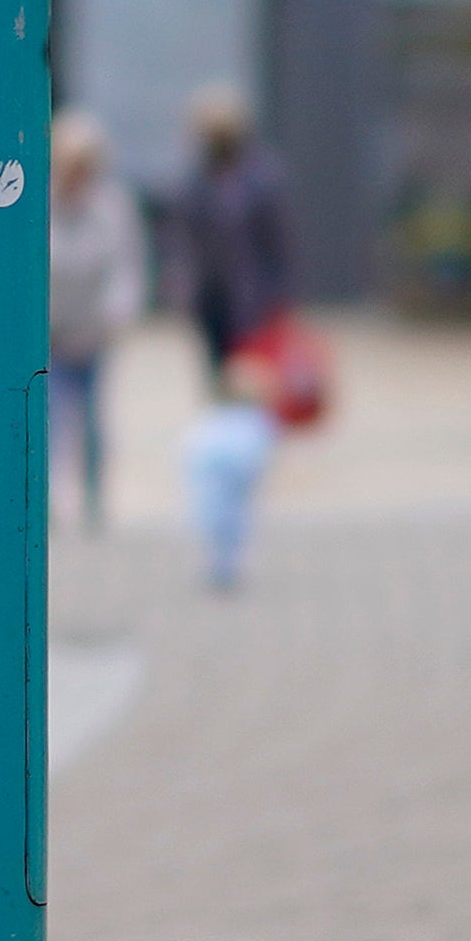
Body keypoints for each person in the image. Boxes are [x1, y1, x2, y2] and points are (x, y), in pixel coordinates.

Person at [41, 109, 143, 533]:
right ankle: (44, 499)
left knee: (93, 421)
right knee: (48, 418)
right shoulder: (41, 203)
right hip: (52, 333)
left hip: (93, 331)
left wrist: (115, 315)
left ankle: (93, 497)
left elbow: (127, 268)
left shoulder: (113, 205)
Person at [178, 84, 292, 368]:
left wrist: (279, 297)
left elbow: (279, 242)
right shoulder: (197, 179)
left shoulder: (261, 178)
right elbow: (187, 238)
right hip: (212, 300)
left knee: (255, 377)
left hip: (255, 300)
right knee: (219, 375)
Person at [180, 355, 276, 594]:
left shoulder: (211, 422)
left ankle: (219, 563)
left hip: (212, 479)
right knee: (235, 522)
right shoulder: (257, 423)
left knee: (216, 520)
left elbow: (191, 450)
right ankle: (227, 564)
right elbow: (258, 457)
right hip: (234, 479)